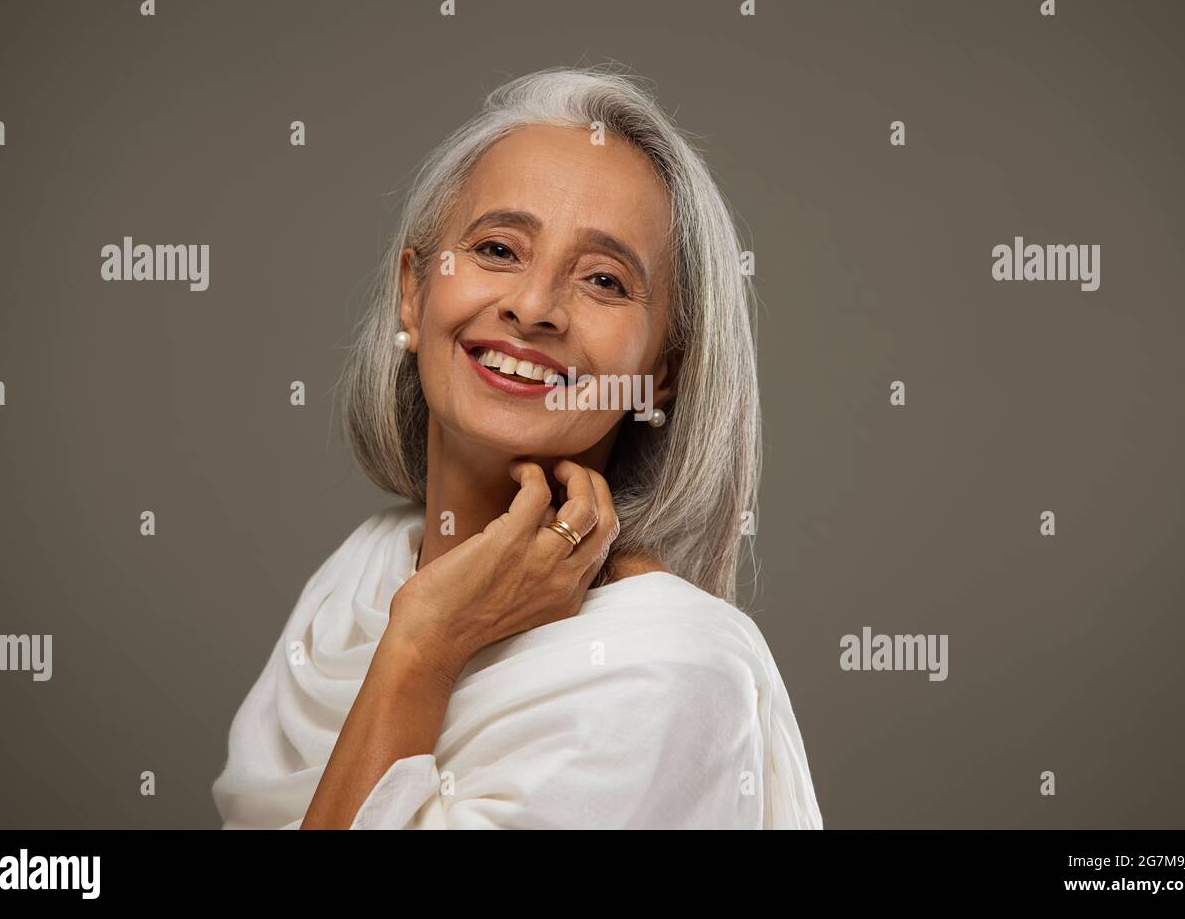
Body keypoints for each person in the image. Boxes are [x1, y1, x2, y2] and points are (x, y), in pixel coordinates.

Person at [211, 66, 823, 829]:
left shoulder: (669, 662)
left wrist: (423, 645)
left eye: (603, 280)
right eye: (498, 249)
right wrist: (420, 624)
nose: (532, 308)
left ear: (661, 377)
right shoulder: (357, 579)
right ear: (414, 290)